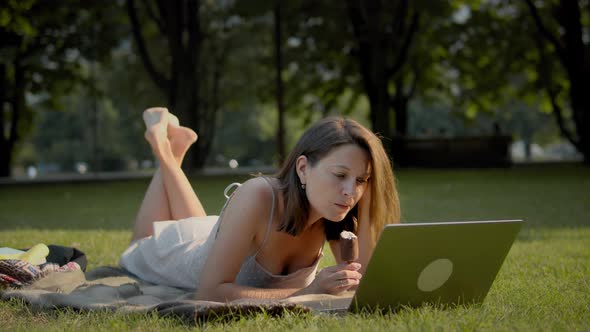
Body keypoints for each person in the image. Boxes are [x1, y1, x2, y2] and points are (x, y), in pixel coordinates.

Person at [119, 107, 400, 302]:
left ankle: (174, 148)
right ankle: (162, 148)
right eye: (340, 175)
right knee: (135, 248)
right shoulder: (257, 196)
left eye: (362, 180)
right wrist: (308, 291)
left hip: (211, 234)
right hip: (171, 251)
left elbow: (365, 283)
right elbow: (208, 292)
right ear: (303, 169)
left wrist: (369, 201)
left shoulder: (335, 211)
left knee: (201, 231)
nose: (350, 191)